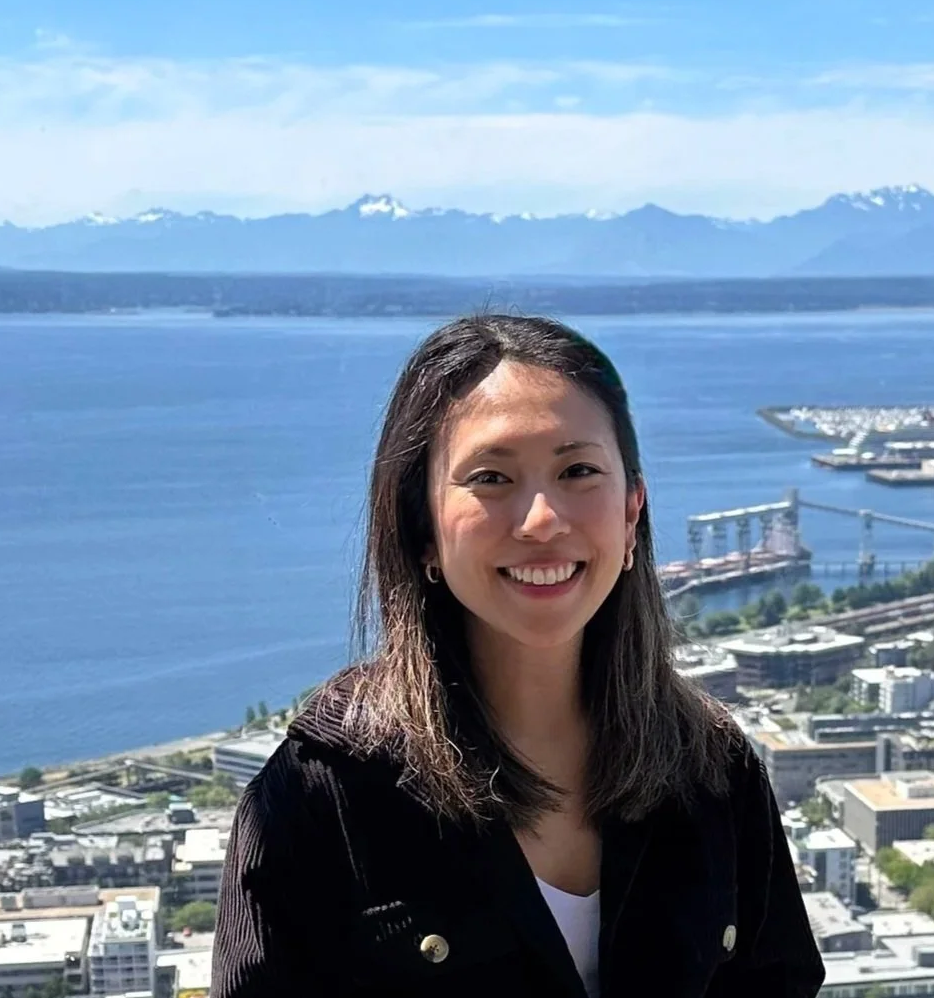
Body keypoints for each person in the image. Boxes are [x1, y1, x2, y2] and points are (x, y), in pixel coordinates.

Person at [211, 314, 825, 998]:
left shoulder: (711, 767)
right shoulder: (320, 796)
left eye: (578, 470)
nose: (541, 520)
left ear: (631, 512)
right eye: (492, 477)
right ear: (421, 528)